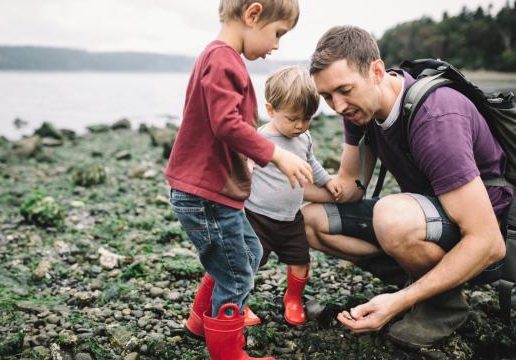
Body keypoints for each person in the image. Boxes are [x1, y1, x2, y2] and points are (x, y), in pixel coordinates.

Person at [302, 25, 513, 348]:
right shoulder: (359, 111)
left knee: (391, 216)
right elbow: (349, 187)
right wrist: (273, 184)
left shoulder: (436, 117)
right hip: (429, 217)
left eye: (344, 90)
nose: (338, 105)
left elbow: (489, 243)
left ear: (375, 70)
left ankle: (441, 305)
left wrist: (397, 301)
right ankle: (425, 282)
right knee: (310, 221)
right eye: (327, 96)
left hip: (482, 237)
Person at [164, 1, 311, 358]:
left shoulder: (223, 59)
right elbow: (225, 123)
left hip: (216, 193)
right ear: (253, 15)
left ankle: (201, 321)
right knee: (237, 276)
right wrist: (275, 153)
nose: (276, 45)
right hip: (206, 195)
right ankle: (228, 353)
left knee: (249, 252)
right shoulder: (223, 59)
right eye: (277, 34)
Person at [244, 65, 342, 326]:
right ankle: (239, 303)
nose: (300, 125)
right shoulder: (260, 139)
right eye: (293, 118)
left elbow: (312, 162)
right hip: (257, 217)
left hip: (290, 218)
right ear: (271, 110)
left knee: (300, 261)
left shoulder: (304, 137)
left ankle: (293, 298)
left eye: (307, 118)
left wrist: (327, 181)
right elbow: (243, 168)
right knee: (248, 263)